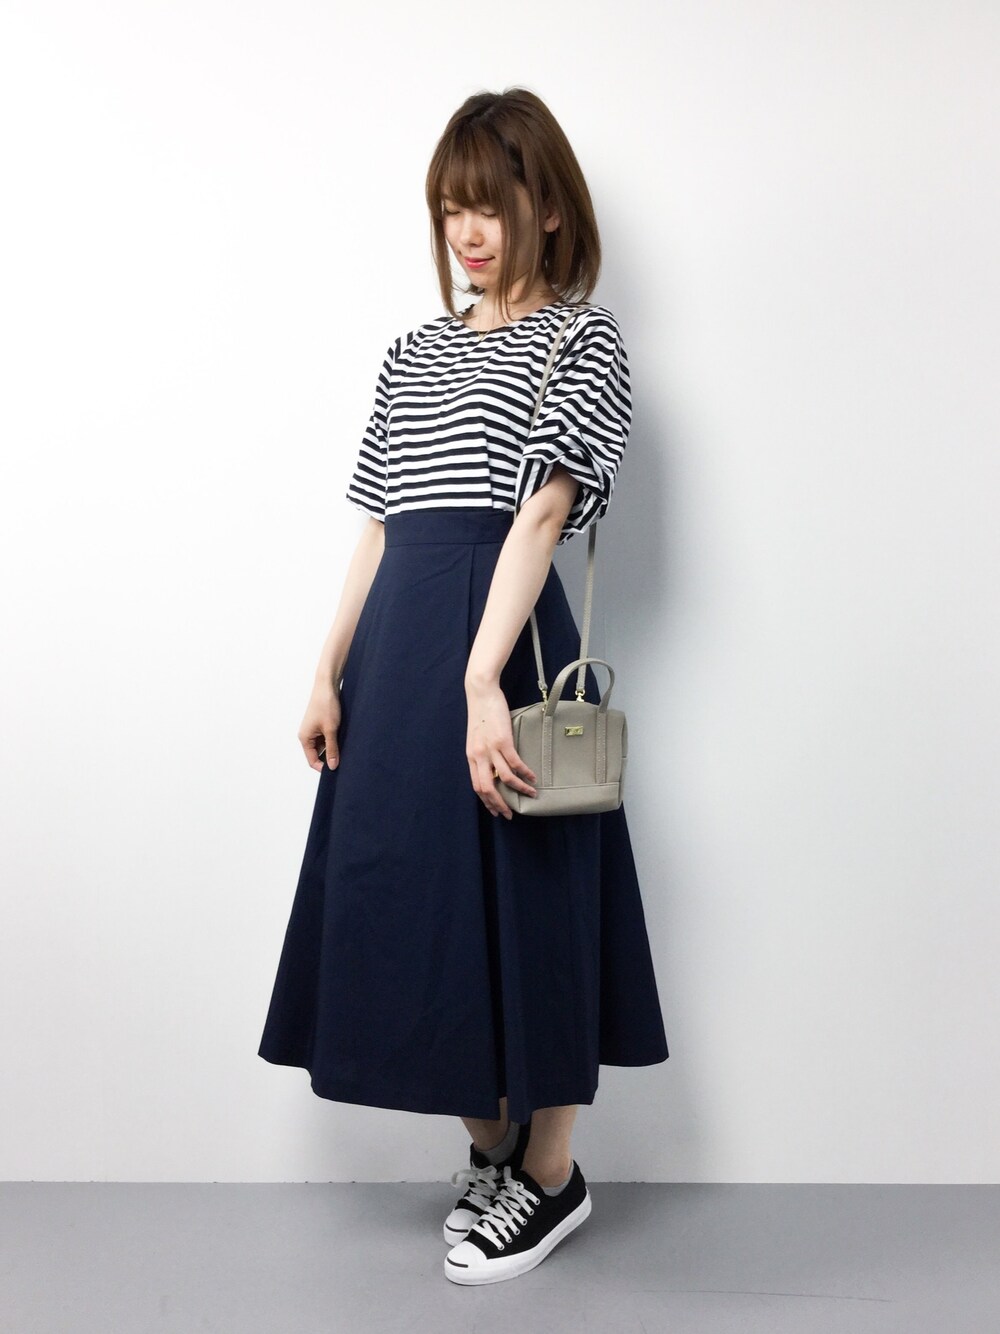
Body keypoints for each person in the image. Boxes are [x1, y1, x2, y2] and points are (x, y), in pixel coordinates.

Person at [258, 87, 669, 1286]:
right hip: (400, 642)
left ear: (551, 209)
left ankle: (551, 1173)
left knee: (535, 886)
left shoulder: (582, 338)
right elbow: (382, 523)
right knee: (416, 897)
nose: (470, 231)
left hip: (508, 639)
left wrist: (482, 678)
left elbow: (542, 511)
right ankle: (490, 1147)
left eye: (491, 204)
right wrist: (326, 669)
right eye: (452, 208)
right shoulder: (415, 350)